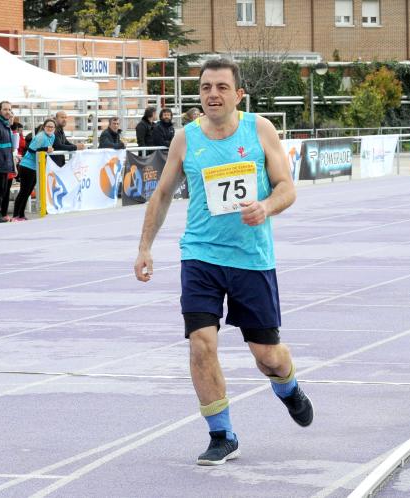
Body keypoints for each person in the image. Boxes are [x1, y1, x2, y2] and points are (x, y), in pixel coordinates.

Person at [133, 58, 312, 467]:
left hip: (251, 259)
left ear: (238, 94)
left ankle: (288, 386)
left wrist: (265, 206)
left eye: (221, 87)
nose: (213, 95)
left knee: (267, 355)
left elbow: (287, 187)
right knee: (202, 342)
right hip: (200, 256)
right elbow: (161, 195)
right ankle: (221, 433)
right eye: (206, 88)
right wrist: (145, 247)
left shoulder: (260, 129)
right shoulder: (186, 139)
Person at [12, 118, 56, 221]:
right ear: (44, 127)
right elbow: (31, 149)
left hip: (36, 166)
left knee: (28, 192)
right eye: (48, 126)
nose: (50, 128)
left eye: (52, 127)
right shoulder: (40, 137)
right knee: (24, 191)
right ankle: (15, 215)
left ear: (54, 128)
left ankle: (21, 215)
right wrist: (46, 149)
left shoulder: (52, 136)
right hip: (27, 166)